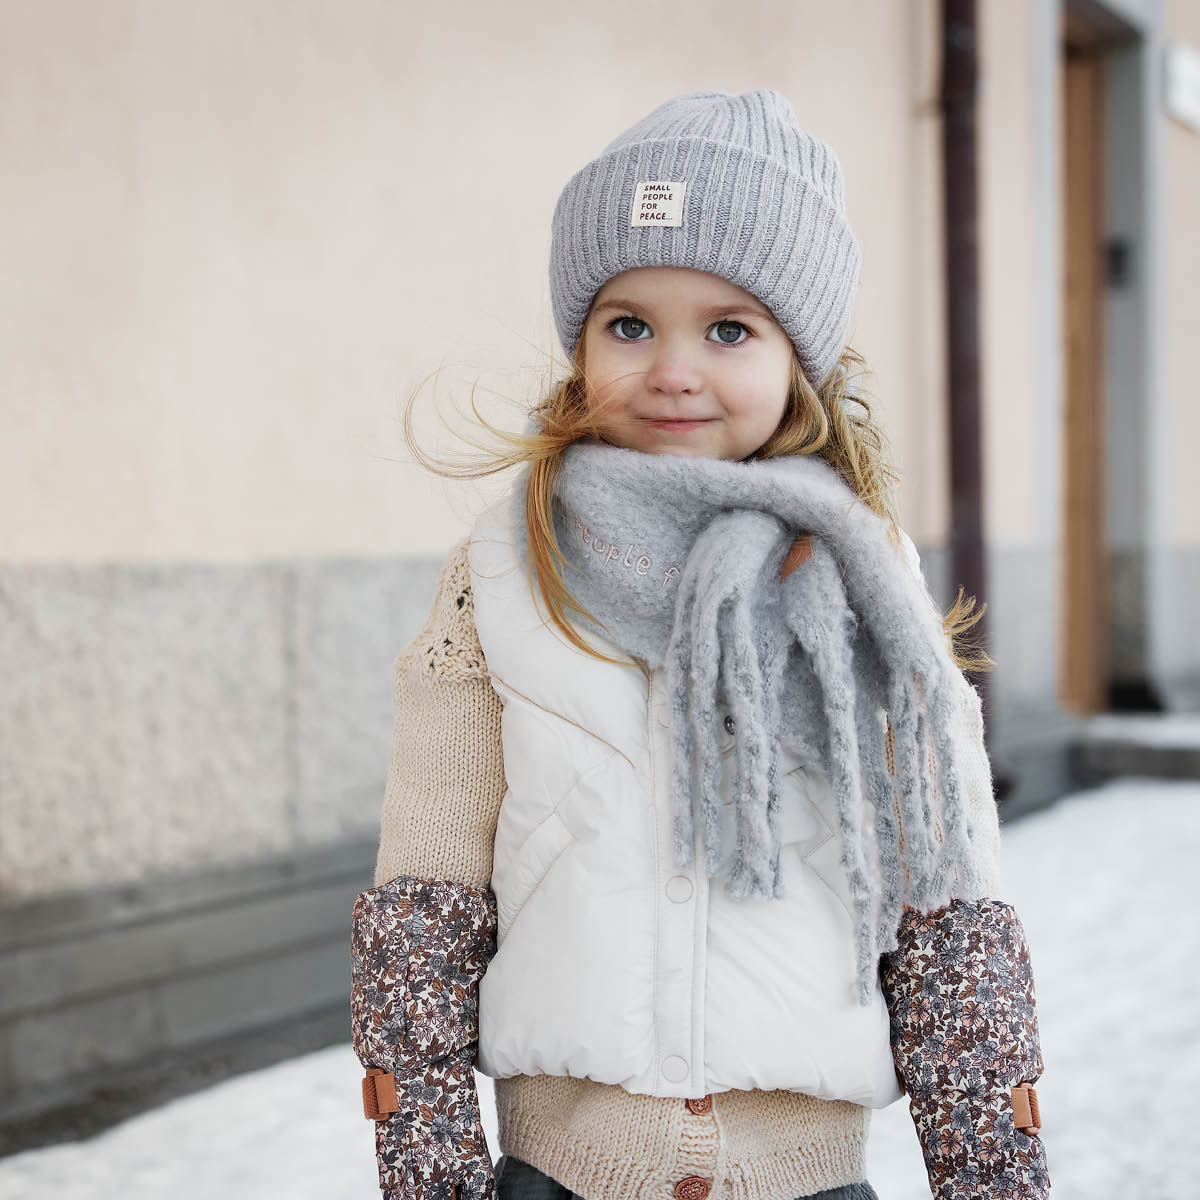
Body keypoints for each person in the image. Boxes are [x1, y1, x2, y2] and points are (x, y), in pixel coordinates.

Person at [350, 88, 1051, 1200]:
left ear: (798, 361)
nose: (673, 367)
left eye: (729, 329)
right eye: (629, 324)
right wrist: (429, 1163)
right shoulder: (502, 573)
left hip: (807, 1178)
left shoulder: (865, 584)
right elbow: (426, 896)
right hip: (561, 1172)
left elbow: (947, 904)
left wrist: (992, 1172)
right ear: (580, 345)